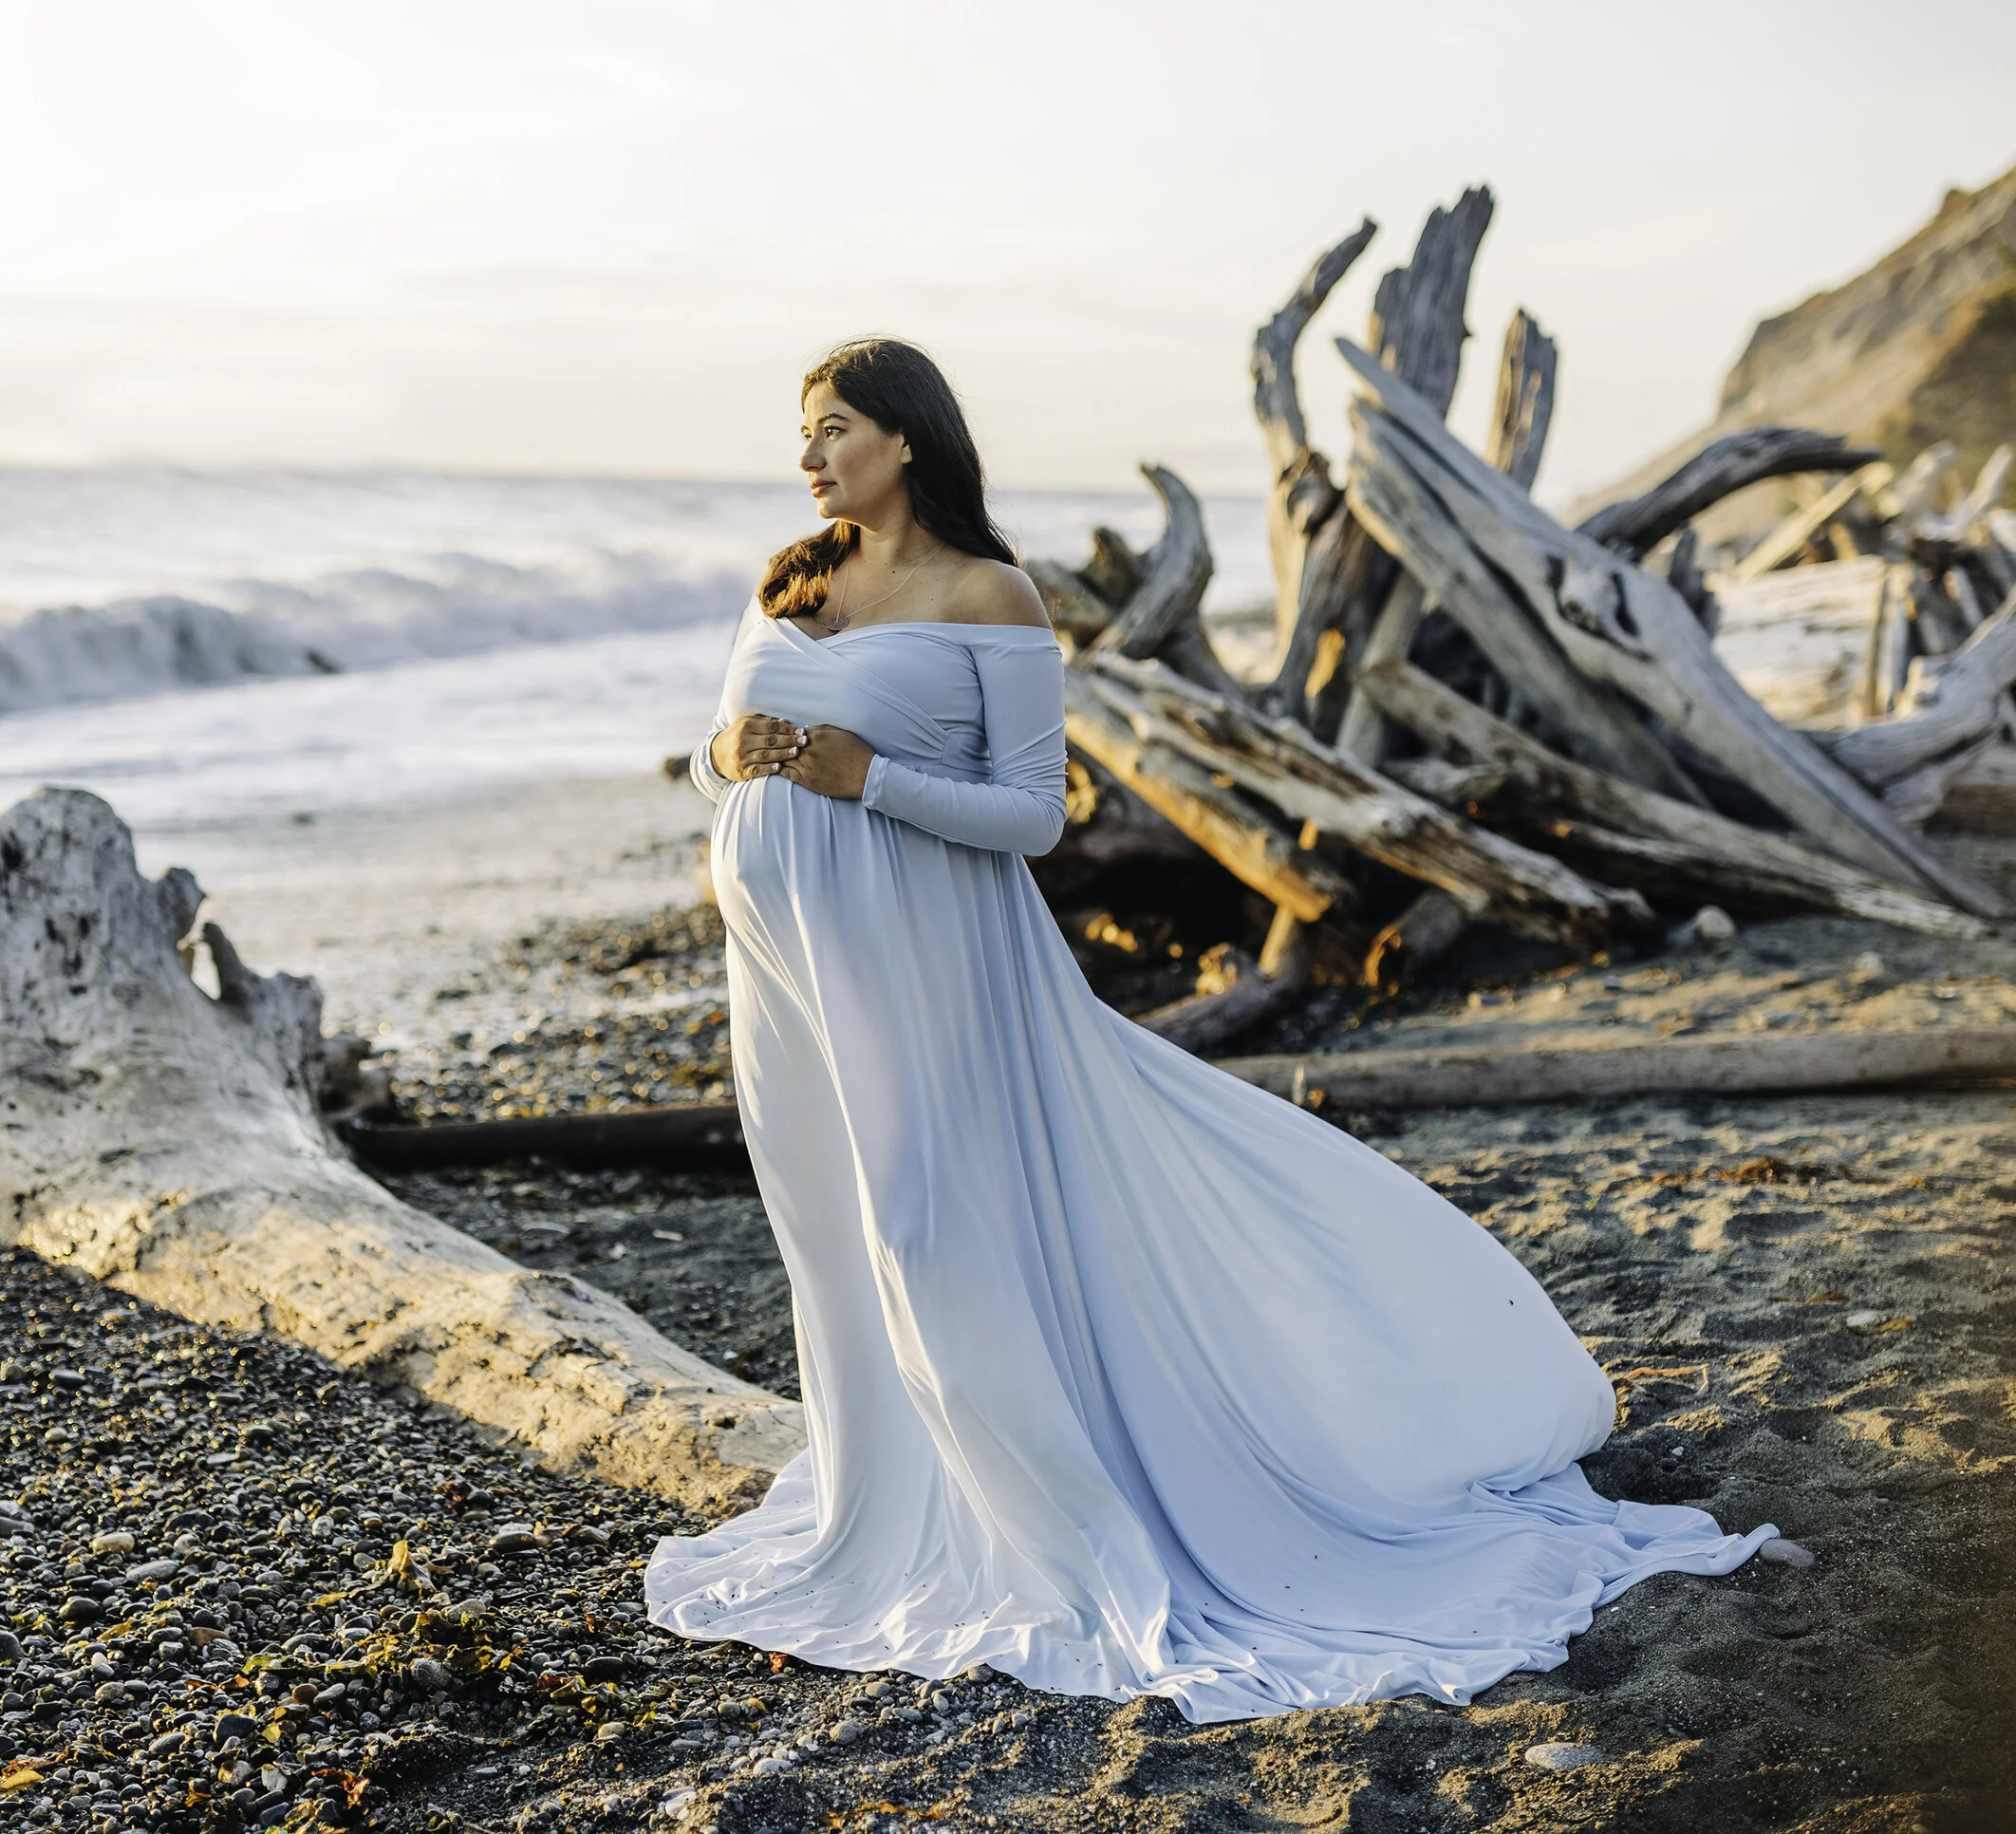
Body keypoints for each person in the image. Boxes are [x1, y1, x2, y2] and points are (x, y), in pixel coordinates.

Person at [644, 337, 1771, 1722]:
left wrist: (866, 778)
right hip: (787, 972)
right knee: (831, 1231)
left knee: (927, 1224)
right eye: (802, 433)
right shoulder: (790, 581)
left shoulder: (992, 596)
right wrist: (732, 760)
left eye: (831, 429)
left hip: (932, 971)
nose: (807, 456)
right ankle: (901, 1487)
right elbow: (714, 757)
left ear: (909, 441)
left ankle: (1037, 1504)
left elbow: (1033, 813)